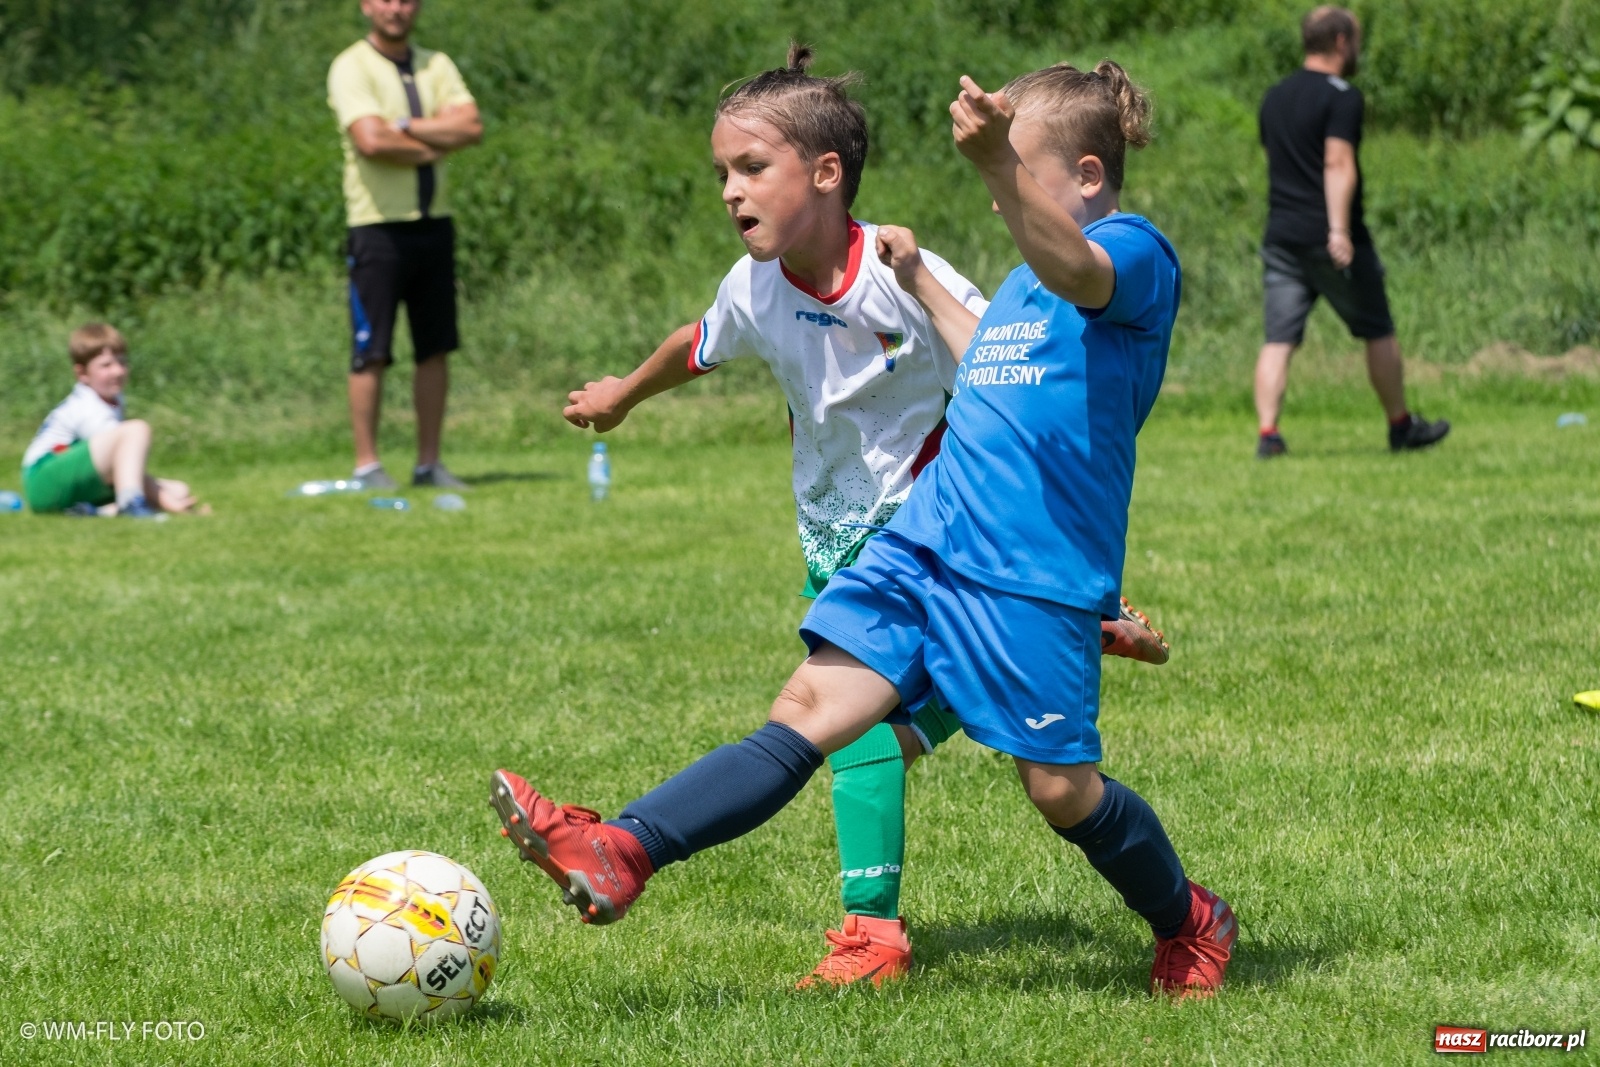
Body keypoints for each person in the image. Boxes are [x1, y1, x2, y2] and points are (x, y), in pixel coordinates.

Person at [491, 60, 1236, 998]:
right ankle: (621, 848)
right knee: (812, 710)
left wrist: (992, 165)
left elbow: (1081, 271)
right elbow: (987, 362)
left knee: (1059, 790)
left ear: (1087, 176)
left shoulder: (1135, 253)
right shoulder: (1021, 287)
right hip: (927, 536)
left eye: (1021, 169)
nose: (1002, 195)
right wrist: (921, 279)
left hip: (1027, 568)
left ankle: (1191, 919)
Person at [1253, 5, 1448, 457]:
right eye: (1356, 40)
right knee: (1378, 328)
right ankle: (1400, 426)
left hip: (1281, 235)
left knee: (1278, 339)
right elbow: (1337, 163)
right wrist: (1339, 230)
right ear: (1341, 42)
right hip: (1332, 237)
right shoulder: (1342, 96)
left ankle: (1268, 434)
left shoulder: (1274, 96)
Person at [327, 0, 482, 489]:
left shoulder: (436, 64)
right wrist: (436, 143)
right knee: (370, 350)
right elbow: (370, 141)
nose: (396, 8)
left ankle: (428, 464)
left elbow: (471, 127)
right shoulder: (352, 65)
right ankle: (367, 466)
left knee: (434, 348)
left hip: (434, 224)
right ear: (366, 5)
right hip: (376, 227)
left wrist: (404, 127)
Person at [21, 323, 197, 518]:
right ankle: (131, 504)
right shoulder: (87, 407)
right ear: (82, 374)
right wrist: (169, 503)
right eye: (106, 365)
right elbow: (118, 462)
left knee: (179, 489)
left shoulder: (112, 399)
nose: (118, 371)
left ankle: (95, 511)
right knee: (137, 429)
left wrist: (166, 496)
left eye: (122, 362)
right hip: (44, 480)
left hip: (67, 481)